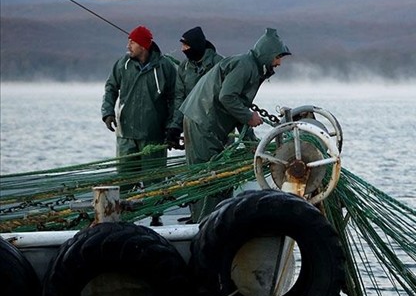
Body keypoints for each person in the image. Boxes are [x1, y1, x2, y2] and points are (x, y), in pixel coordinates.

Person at [179, 27, 291, 222]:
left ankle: (210, 220)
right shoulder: (245, 66)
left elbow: (238, 103)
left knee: (213, 175)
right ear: (267, 54)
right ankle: (204, 224)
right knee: (208, 176)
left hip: (206, 121)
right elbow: (227, 97)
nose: (279, 62)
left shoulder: (252, 68)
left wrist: (251, 144)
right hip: (202, 121)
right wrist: (249, 117)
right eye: (277, 57)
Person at [101, 25, 177, 226]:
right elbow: (110, 88)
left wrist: (173, 126)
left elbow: (176, 98)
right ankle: (124, 218)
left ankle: (156, 215)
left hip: (153, 134)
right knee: (125, 178)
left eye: (132, 42)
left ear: (144, 45)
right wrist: (107, 112)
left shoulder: (165, 67)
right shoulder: (123, 65)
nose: (128, 45)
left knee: (154, 178)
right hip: (126, 133)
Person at [165, 26, 223, 150]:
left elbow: (228, 96)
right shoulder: (184, 67)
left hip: (218, 127)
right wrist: (175, 127)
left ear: (196, 45)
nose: (183, 50)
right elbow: (180, 99)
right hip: (192, 127)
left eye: (186, 46)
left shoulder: (219, 64)